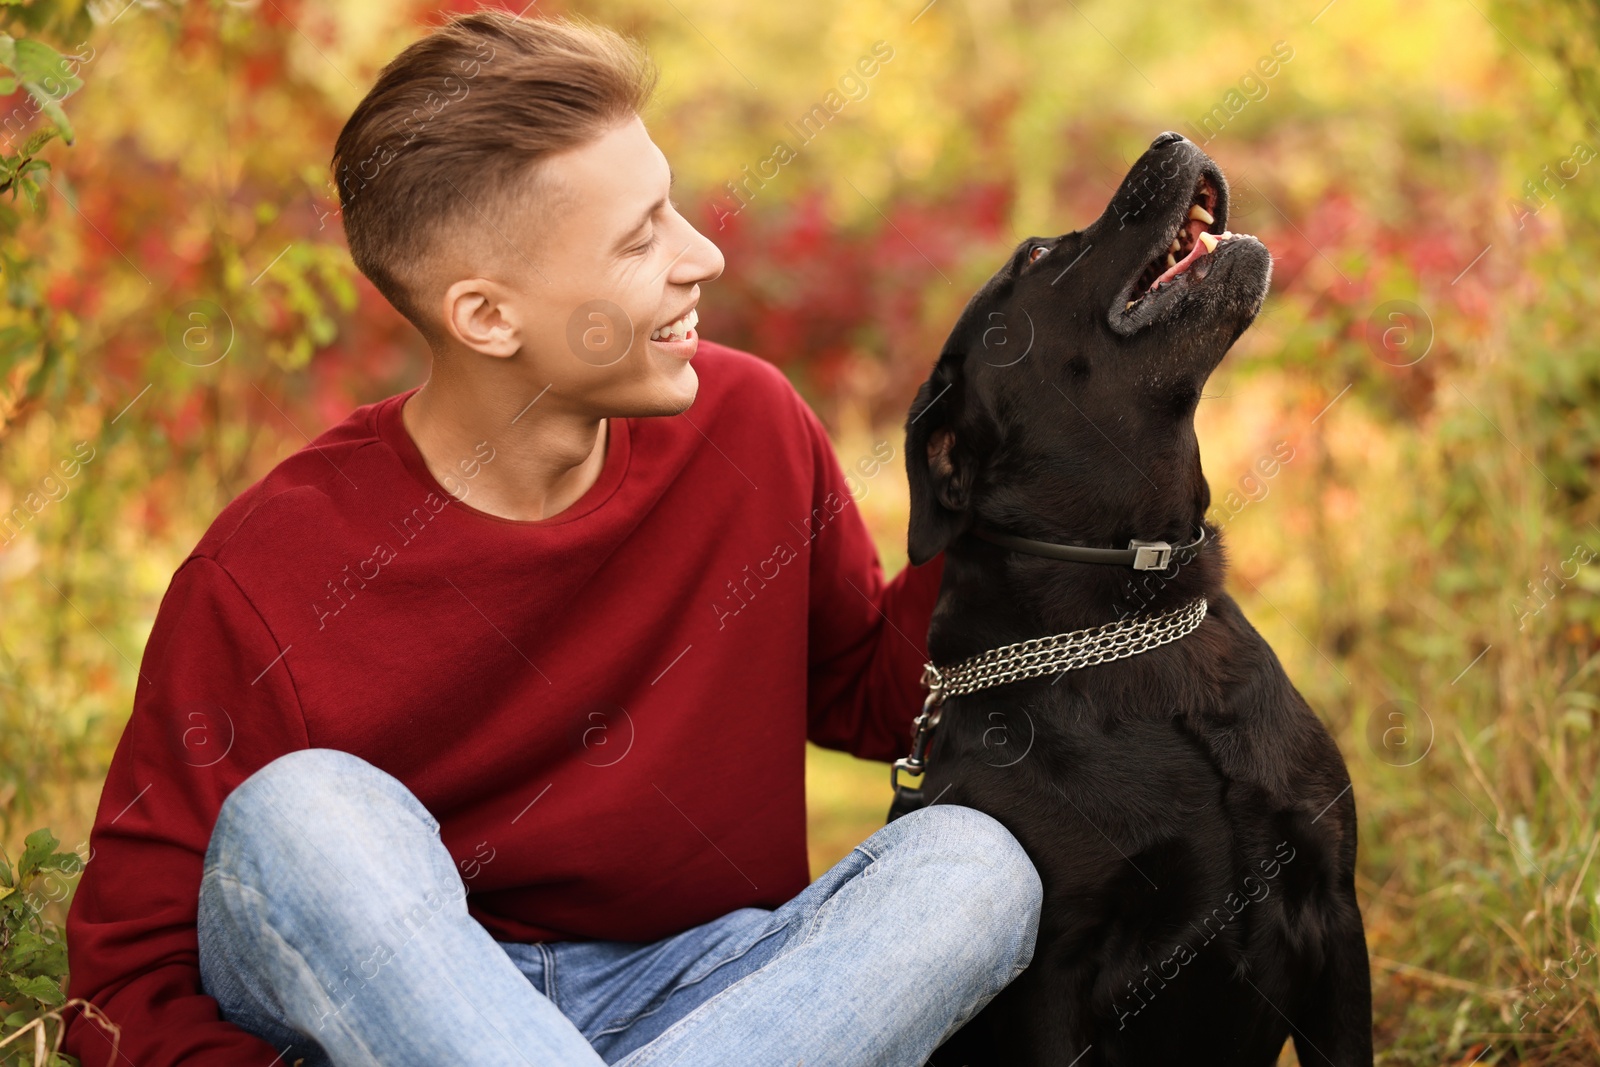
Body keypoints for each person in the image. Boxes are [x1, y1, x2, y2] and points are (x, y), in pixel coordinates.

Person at [61, 11, 1041, 1066]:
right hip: (380, 993)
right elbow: (123, 984)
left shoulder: (747, 423)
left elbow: (867, 686)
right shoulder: (263, 573)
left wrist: (1035, 470)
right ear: (486, 316)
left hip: (703, 993)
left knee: (972, 866)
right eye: (641, 237)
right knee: (307, 814)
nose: (702, 253)